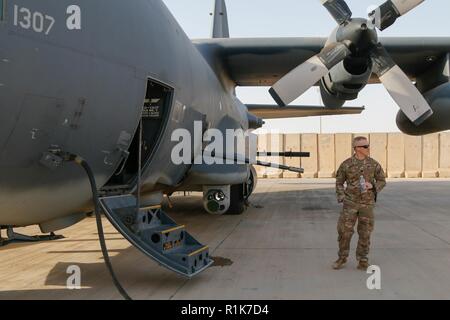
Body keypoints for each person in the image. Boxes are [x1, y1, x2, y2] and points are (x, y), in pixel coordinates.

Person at [332, 136, 386, 271]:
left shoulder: (374, 164)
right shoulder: (346, 164)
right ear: (357, 148)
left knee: (365, 233)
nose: (368, 148)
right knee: (344, 232)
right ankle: (342, 258)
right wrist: (342, 197)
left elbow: (382, 180)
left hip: (367, 205)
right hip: (350, 203)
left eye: (368, 146)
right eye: (365, 146)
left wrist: (372, 186)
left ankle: (362, 259)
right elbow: (339, 182)